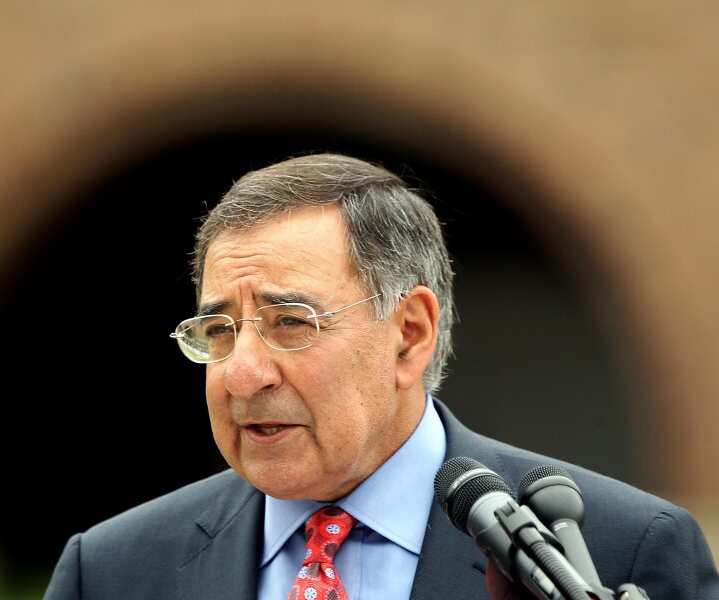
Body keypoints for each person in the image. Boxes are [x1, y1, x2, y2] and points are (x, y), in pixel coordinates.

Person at [43, 152, 719, 599]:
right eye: (219, 331)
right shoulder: (109, 572)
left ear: (409, 334)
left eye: (290, 322)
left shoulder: (620, 550)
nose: (242, 372)